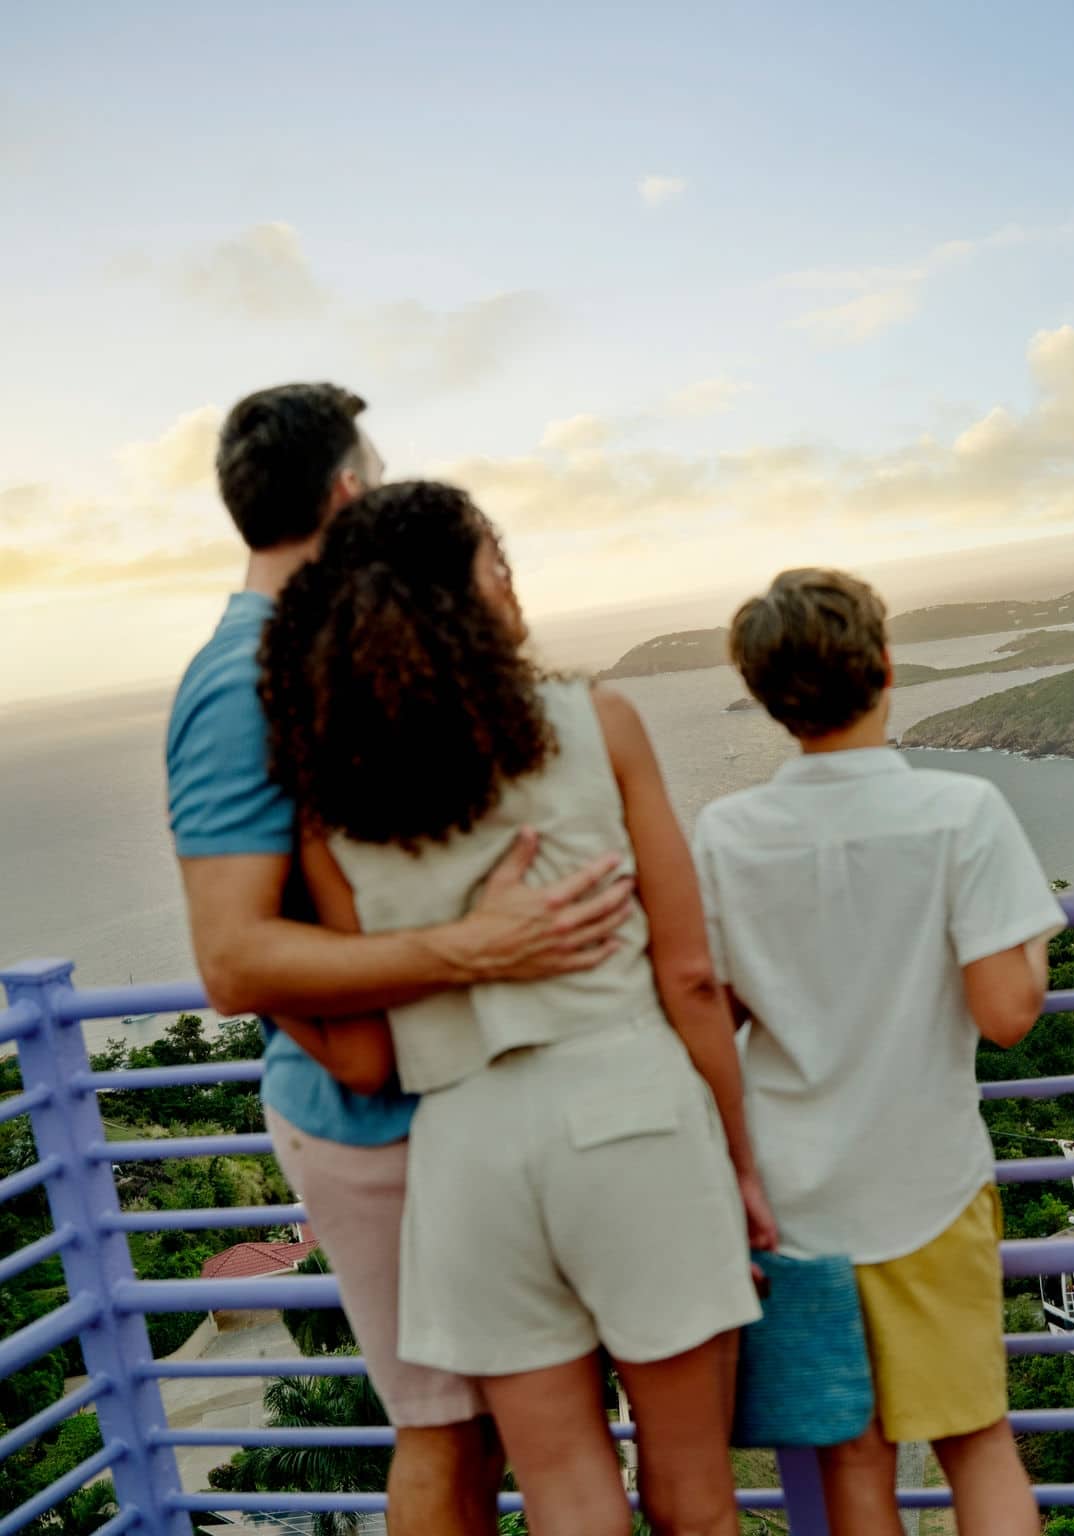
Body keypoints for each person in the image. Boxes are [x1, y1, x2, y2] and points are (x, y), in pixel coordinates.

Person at [260, 479, 771, 1536]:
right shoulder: (596, 722)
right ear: (463, 593)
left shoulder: (329, 791)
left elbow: (356, 1054)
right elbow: (686, 976)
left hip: (466, 1157)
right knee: (695, 1498)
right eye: (498, 562)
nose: (515, 584)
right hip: (631, 1114)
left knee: (563, 1494)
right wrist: (739, 1156)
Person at [167, 385, 634, 1536]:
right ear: (348, 492)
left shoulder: (326, 650)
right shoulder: (243, 678)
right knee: (446, 1428)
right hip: (365, 1113)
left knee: (506, 1426)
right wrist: (476, 944)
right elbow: (231, 958)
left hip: (448, 1102)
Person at [692, 568, 1064, 1536]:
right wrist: (1031, 937)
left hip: (793, 1201)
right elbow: (1007, 1013)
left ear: (768, 698)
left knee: (854, 1463)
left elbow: (714, 1007)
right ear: (885, 667)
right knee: (976, 1443)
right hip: (927, 1184)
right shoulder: (960, 812)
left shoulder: (726, 835)